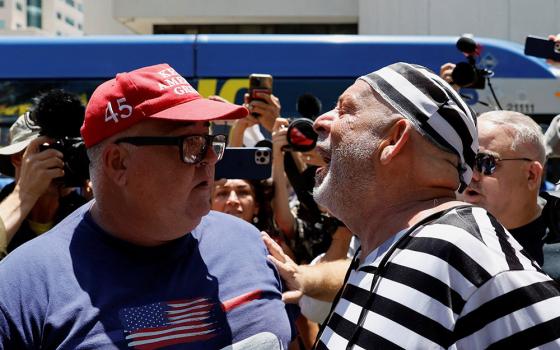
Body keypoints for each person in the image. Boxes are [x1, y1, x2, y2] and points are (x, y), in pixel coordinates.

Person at [264, 62, 560, 349]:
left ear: (394, 140)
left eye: (346, 110)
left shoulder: (468, 253)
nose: (320, 122)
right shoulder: (385, 246)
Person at [0, 63, 293, 349]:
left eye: (210, 140)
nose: (211, 158)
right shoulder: (24, 288)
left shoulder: (250, 244)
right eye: (191, 144)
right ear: (118, 162)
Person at [0, 90, 88, 258]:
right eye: (54, 149)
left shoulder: (86, 213)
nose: (62, 158)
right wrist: (24, 194)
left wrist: (103, 210)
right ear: (18, 158)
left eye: (70, 150)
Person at [462, 111, 551, 264]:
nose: (470, 175)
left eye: (486, 162)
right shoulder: (440, 239)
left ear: (532, 175)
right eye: (465, 161)